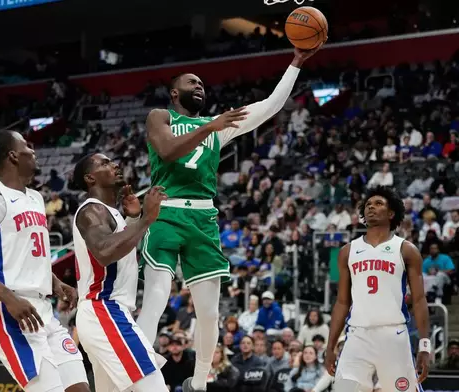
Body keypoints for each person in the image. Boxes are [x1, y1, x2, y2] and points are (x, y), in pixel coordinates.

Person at [137, 45, 323, 392]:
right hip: (164, 211)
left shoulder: (217, 126)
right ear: (175, 92)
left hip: (203, 219)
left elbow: (269, 106)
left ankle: (202, 378)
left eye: (203, 84)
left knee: (209, 315)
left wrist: (296, 61)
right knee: (157, 295)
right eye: (193, 82)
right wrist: (211, 128)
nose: (201, 86)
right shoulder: (161, 117)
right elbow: (167, 151)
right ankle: (137, 371)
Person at [0, 130, 89, 392]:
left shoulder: (36, 198)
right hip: (8, 310)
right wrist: (9, 298)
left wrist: (56, 282)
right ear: (13, 155)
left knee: (80, 388)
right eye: (26, 145)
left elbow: (26, 255)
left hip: (43, 309)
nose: (33, 149)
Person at [71, 152, 168, 392]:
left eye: (112, 161)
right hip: (104, 308)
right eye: (104, 163)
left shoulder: (109, 212)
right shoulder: (91, 211)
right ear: (90, 178)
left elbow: (118, 245)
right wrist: (146, 219)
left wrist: (134, 218)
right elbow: (104, 253)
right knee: (154, 386)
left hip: (103, 312)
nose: (114, 164)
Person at [325, 186, 430, 392]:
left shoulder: (406, 249)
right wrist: (330, 346)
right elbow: (342, 302)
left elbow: (418, 299)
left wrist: (425, 346)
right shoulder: (348, 251)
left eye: (378, 204)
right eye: (368, 205)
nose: (371, 207)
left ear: (391, 213)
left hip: (393, 335)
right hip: (357, 336)